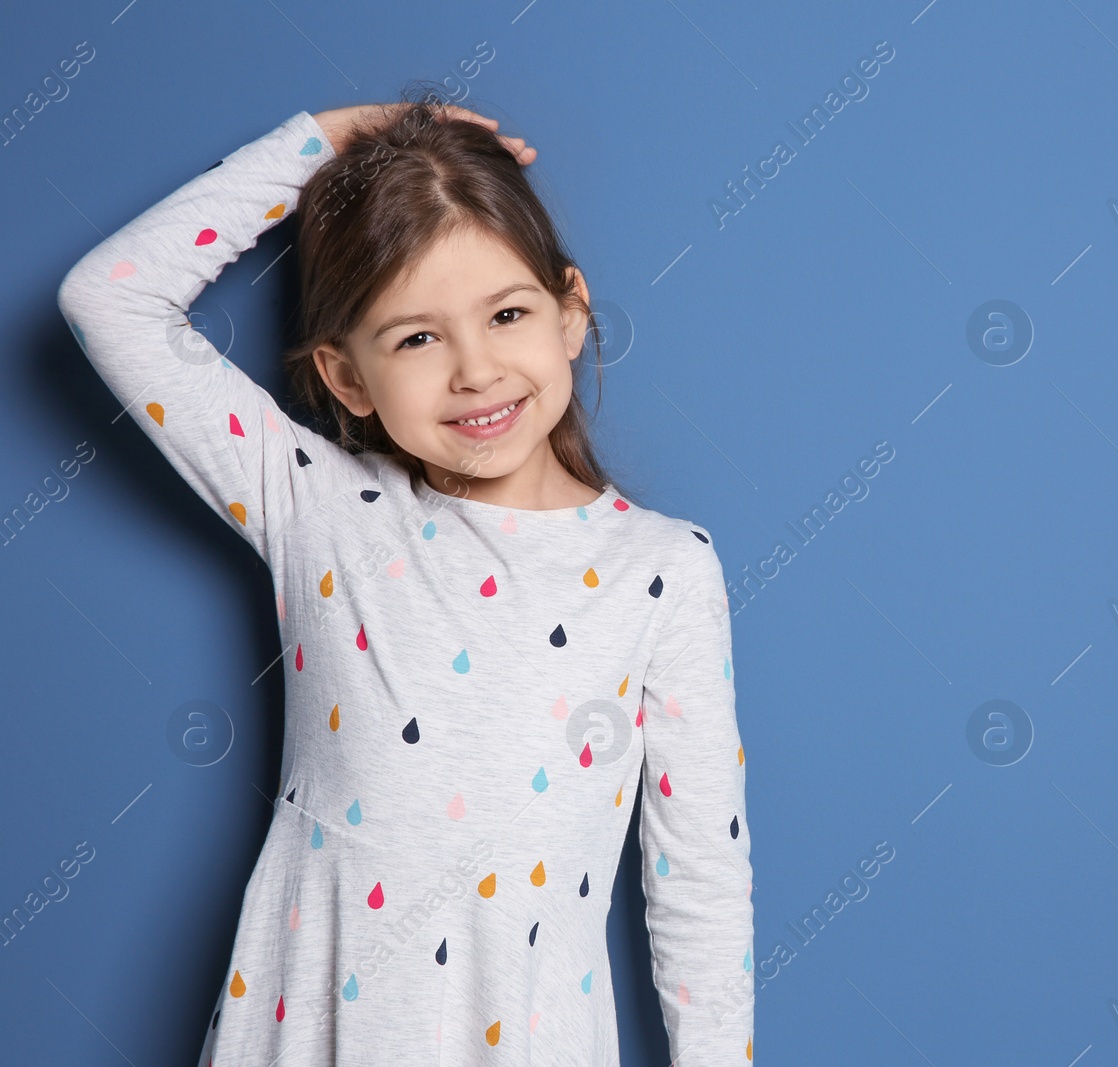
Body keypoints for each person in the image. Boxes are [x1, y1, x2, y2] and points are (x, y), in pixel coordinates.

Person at [55, 94, 754, 1066]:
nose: (476, 370)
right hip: (309, 1029)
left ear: (570, 312)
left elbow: (699, 877)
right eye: (417, 337)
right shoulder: (321, 508)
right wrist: (325, 144)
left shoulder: (665, 569)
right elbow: (109, 299)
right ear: (346, 380)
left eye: (507, 314)